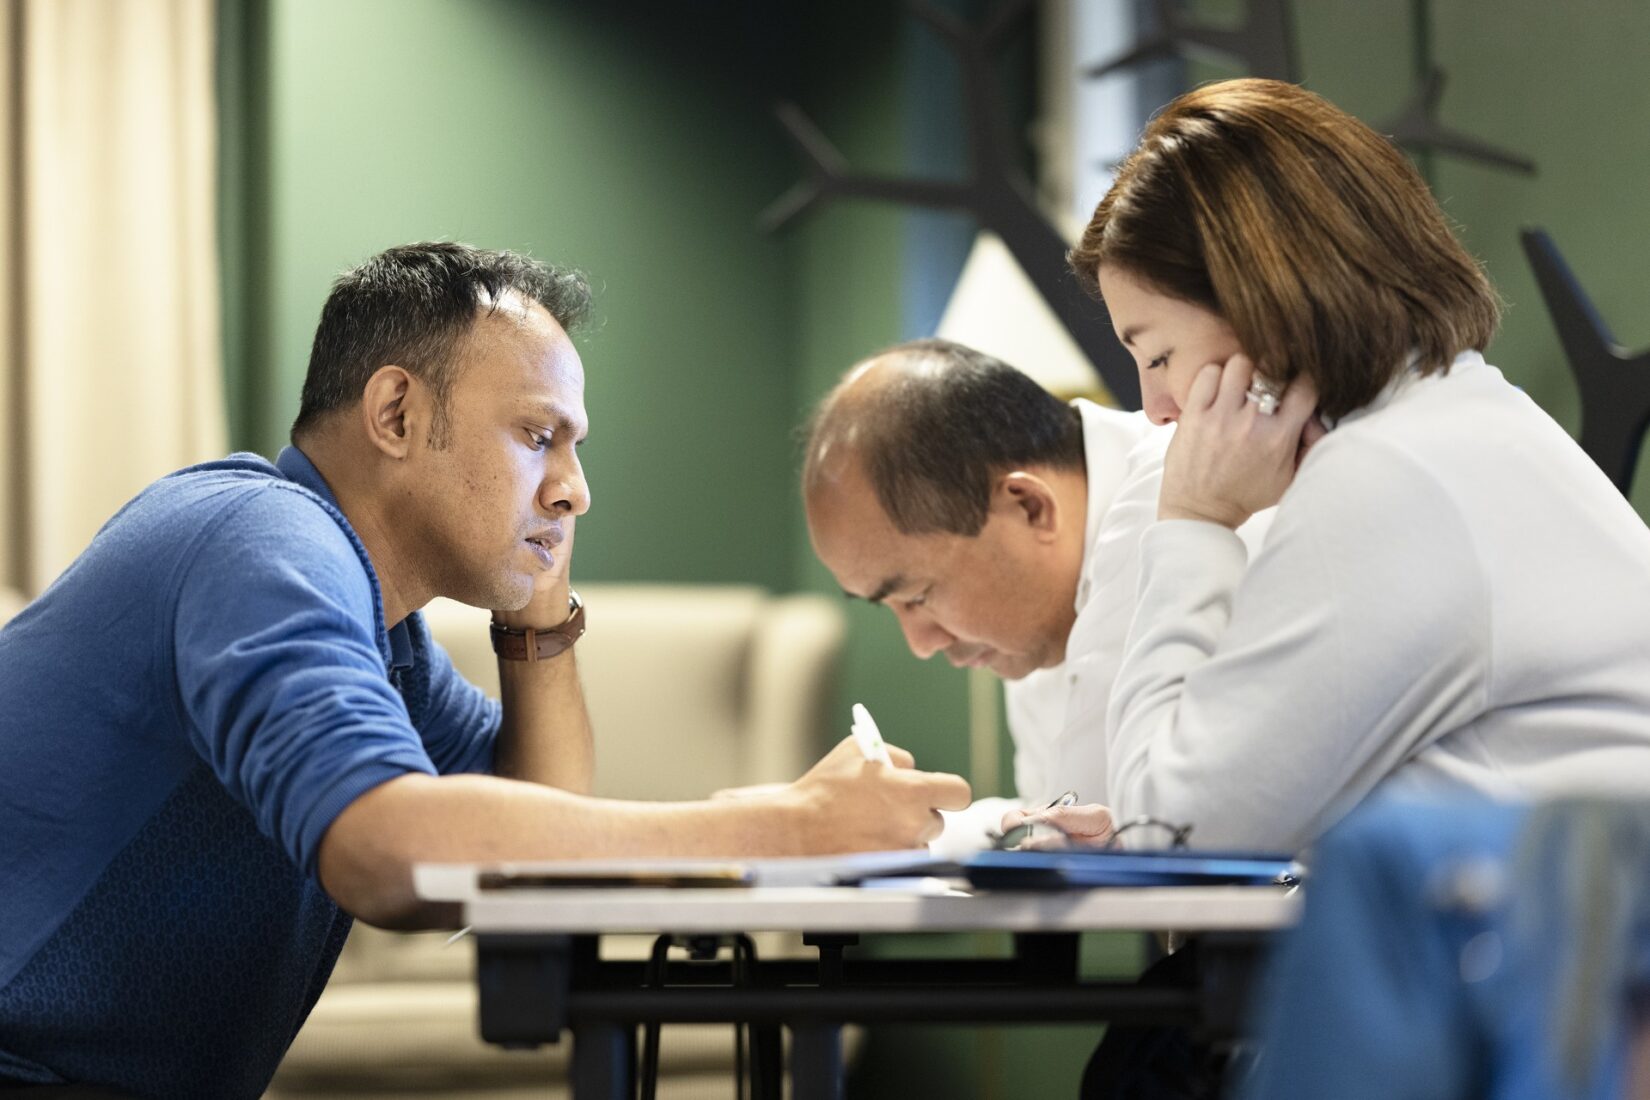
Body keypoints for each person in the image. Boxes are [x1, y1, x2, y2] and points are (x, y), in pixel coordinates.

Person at [0, 242, 970, 1099]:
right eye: (538, 435)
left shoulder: (381, 624)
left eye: (575, 450)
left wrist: (538, 612)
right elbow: (386, 850)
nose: (575, 489)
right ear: (395, 411)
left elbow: (531, 848)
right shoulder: (263, 541)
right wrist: (789, 825)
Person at [1055, 76, 1650, 859]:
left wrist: (1193, 524)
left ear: (1262, 297)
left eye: (1158, 353)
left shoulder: (1391, 480)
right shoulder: (1451, 425)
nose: (1157, 406)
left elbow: (1170, 830)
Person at [801, 338, 1269, 853]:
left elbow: (1111, 825)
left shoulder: (1181, 491)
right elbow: (1060, 813)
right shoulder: (1038, 603)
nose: (921, 642)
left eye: (918, 595)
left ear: (1028, 508)